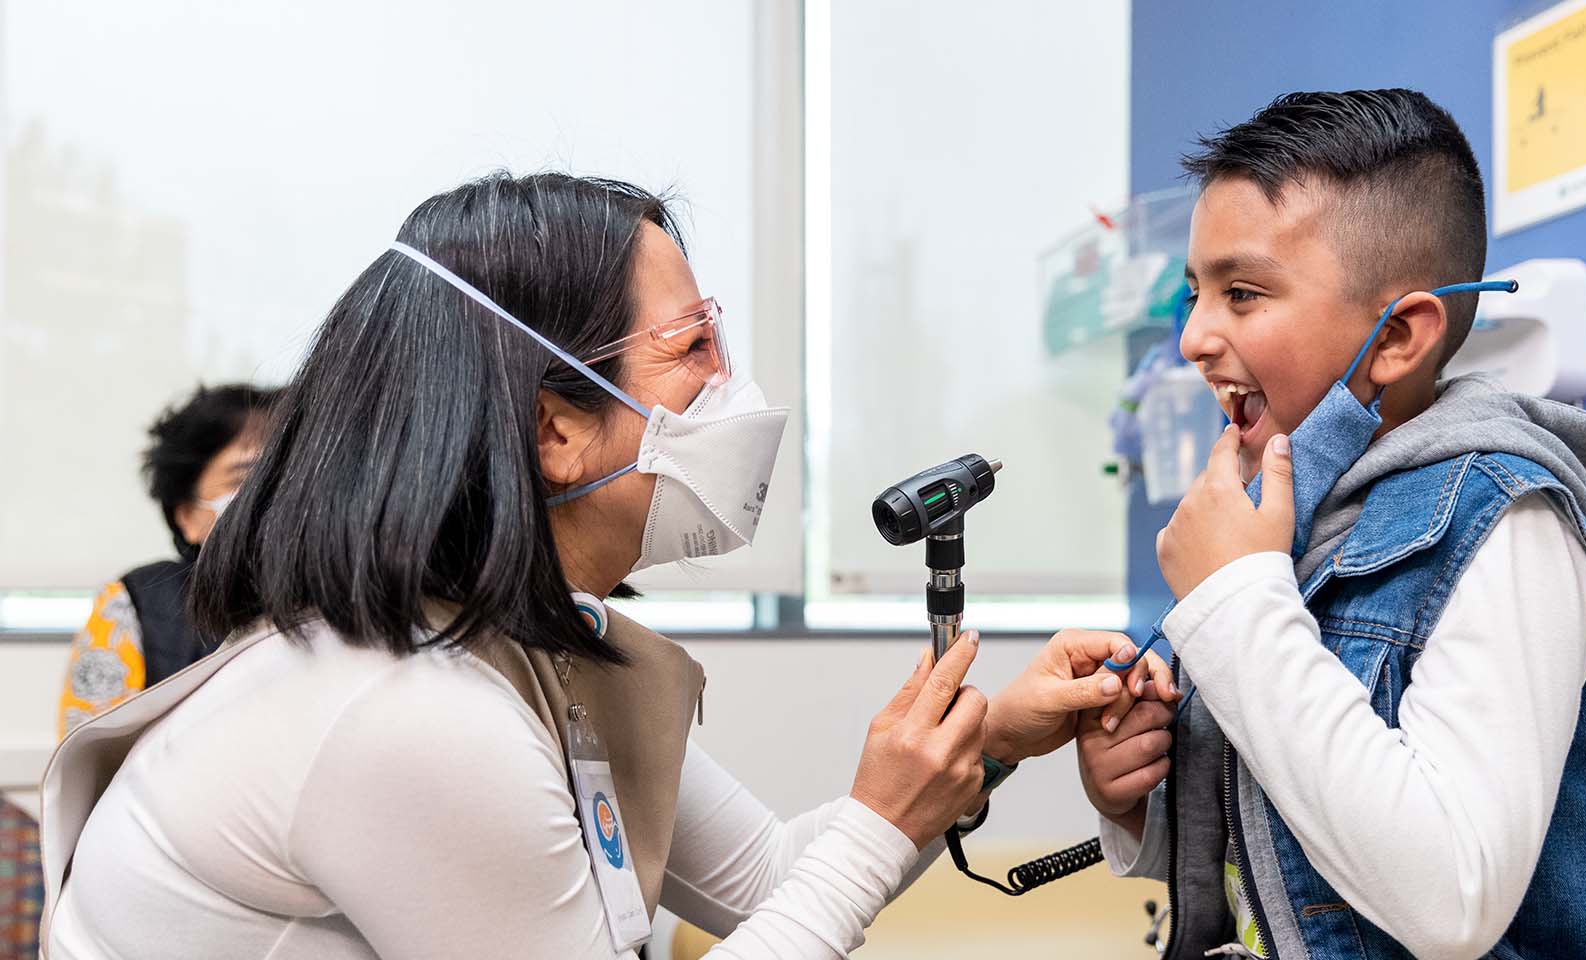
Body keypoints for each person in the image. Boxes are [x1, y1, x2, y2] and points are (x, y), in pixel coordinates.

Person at [36, 172, 1158, 960]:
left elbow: (768, 882)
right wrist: (877, 823)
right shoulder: (402, 713)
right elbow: (824, 878)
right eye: (693, 350)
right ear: (554, 429)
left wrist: (992, 737)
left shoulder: (520, 643)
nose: (735, 392)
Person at [1075, 90, 1586, 959]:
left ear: (1396, 337)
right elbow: (1286, 835)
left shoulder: (1508, 524)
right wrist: (1135, 802)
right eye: (1195, 293)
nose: (1196, 338)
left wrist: (1237, 603)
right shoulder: (1292, 519)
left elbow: (1450, 899)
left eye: (1241, 294)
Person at [56, 383, 278, 738]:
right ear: (187, 515)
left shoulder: (352, 599)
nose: (275, 494)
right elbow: (90, 766)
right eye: (246, 478)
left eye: (287, 474)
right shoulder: (137, 603)